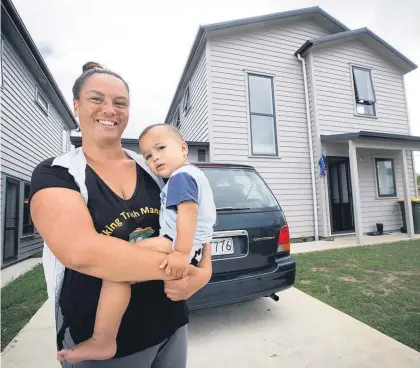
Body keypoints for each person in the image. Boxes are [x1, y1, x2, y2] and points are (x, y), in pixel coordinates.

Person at [29, 62, 212, 368]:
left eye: (120, 103)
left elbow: (194, 219)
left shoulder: (154, 170)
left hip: (171, 325)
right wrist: (182, 269)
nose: (110, 110)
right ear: (76, 105)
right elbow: (83, 253)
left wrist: (204, 273)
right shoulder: (57, 173)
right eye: (96, 99)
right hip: (108, 346)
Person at [58, 123, 217, 363]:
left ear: (183, 148)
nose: (156, 158)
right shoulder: (191, 175)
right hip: (181, 246)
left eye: (162, 148)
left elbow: (188, 214)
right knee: (120, 266)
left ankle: (103, 340)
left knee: (115, 268)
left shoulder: (181, 178)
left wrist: (180, 253)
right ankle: (104, 339)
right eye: (149, 156)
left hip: (174, 245)